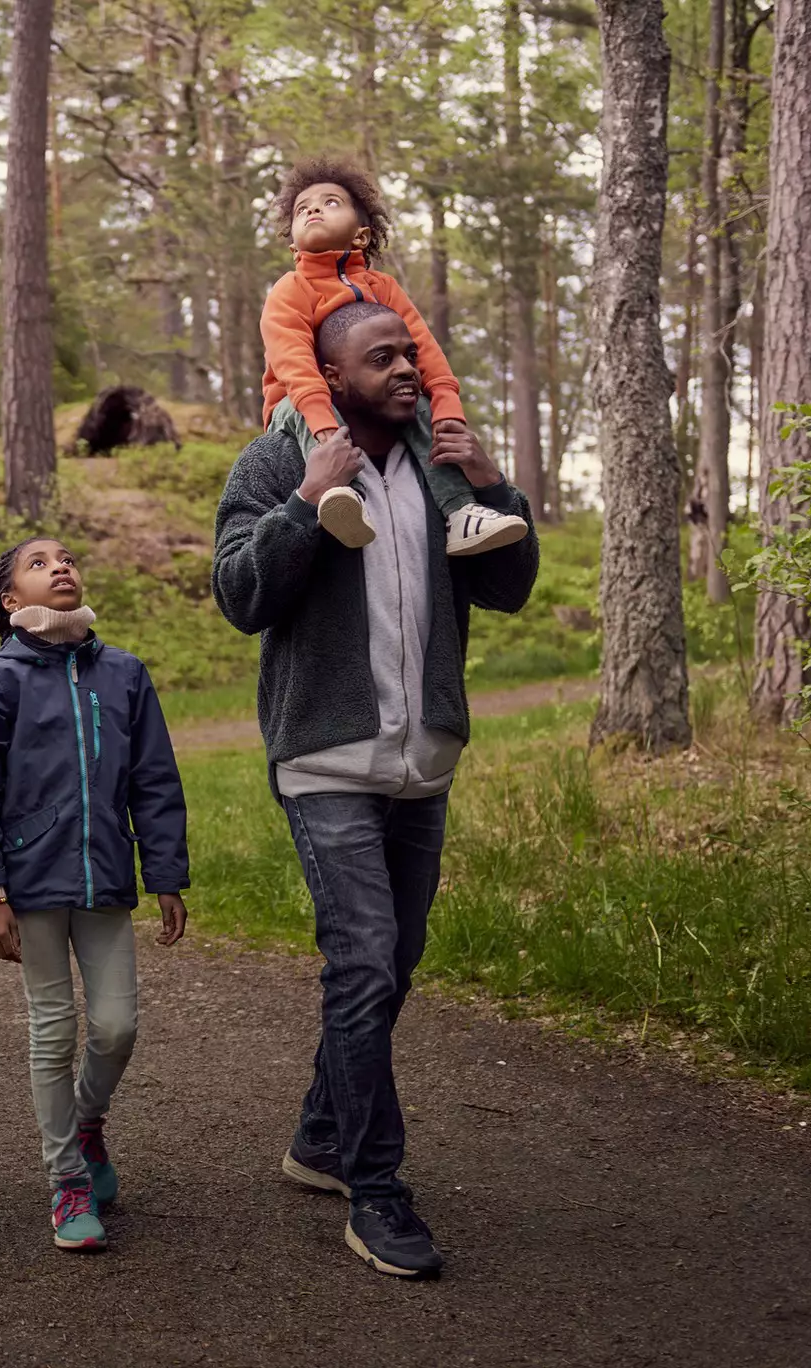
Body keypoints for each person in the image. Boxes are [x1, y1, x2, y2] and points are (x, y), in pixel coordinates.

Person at [212, 302, 539, 1278]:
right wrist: (306, 503)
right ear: (327, 371)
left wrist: (491, 482)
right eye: (380, 356)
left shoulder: (439, 464)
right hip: (323, 759)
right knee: (360, 963)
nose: (406, 368)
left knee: (393, 964)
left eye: (410, 352)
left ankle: (320, 1134)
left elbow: (509, 587)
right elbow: (239, 593)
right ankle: (376, 1188)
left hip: (422, 759)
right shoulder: (276, 461)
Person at [0, 537, 191, 1253]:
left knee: (117, 1027)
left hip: (107, 875)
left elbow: (155, 779)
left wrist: (166, 874)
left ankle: (86, 1124)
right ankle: (68, 1182)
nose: (61, 566)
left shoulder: (123, 674)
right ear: (10, 600)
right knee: (53, 1030)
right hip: (31, 884)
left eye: (67, 557)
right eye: (39, 561)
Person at [260, 154, 528, 559]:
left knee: (421, 407)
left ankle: (460, 513)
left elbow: (425, 352)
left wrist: (448, 412)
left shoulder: (383, 287)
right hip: (296, 406)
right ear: (293, 240)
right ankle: (340, 498)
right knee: (301, 404)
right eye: (303, 208)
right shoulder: (290, 290)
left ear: (361, 237)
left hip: (372, 408)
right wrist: (325, 430)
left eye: (330, 202)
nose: (314, 208)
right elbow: (294, 366)